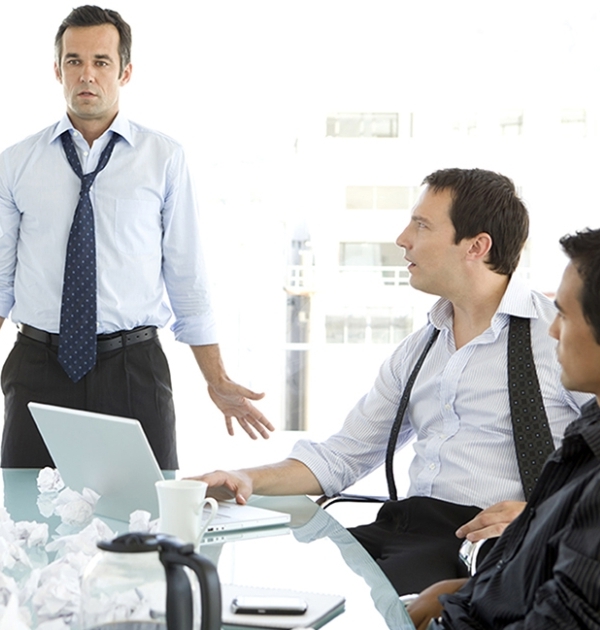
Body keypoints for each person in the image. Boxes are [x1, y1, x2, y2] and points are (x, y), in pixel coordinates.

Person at [0, 5, 271, 470]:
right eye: (74, 61)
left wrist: (217, 378)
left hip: (133, 370)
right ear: (57, 70)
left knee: (146, 510)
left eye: (101, 62)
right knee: (27, 510)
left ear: (125, 72)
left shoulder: (164, 158)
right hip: (38, 369)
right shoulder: (15, 164)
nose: (87, 74)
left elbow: (187, 277)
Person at [196, 168, 592, 595]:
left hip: (486, 543)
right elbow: (342, 457)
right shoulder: (419, 349)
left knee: (358, 606)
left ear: (476, 246)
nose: (403, 239)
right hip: (400, 526)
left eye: (421, 225)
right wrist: (244, 477)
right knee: (272, 583)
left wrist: (547, 515)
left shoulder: (563, 338)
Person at [406, 227, 600, 629]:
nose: (552, 330)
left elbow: (559, 619)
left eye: (565, 315)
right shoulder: (586, 434)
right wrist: (455, 596)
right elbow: (524, 582)